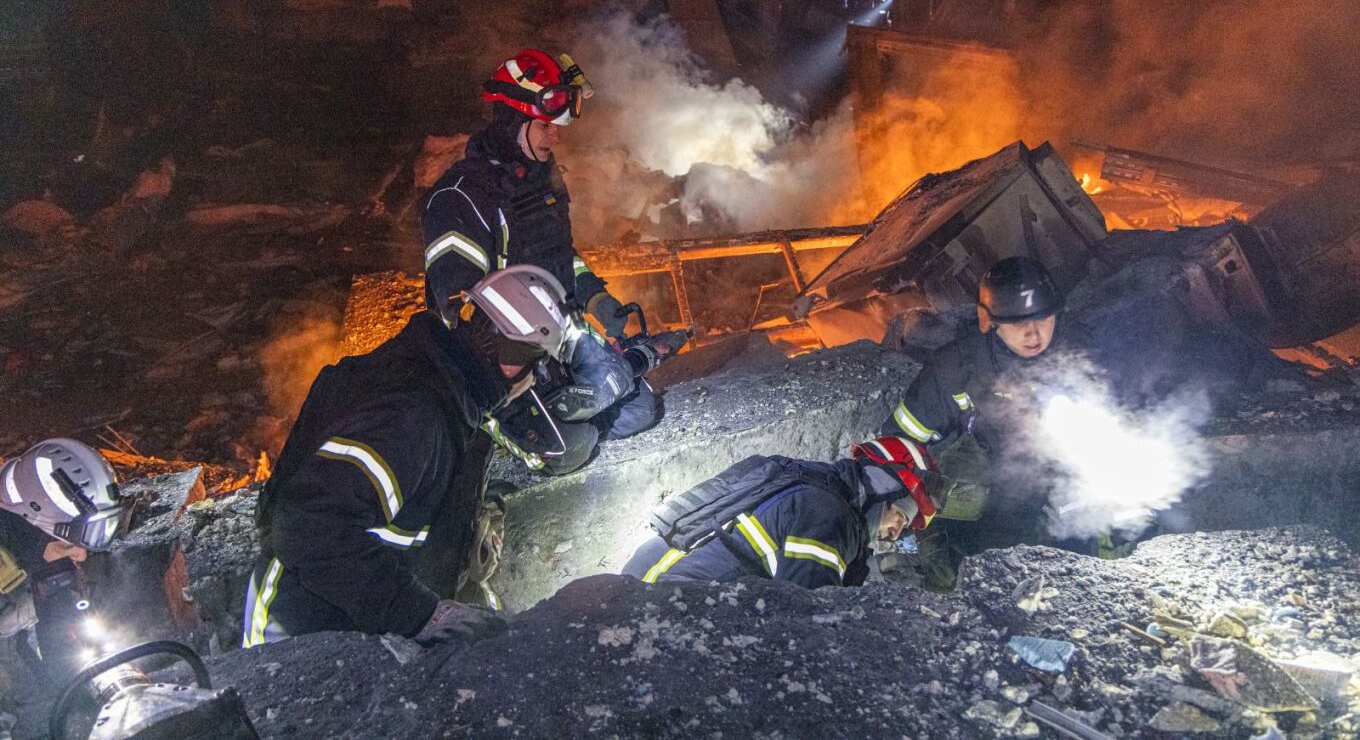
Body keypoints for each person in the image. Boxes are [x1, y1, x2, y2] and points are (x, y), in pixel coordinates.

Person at [243, 266, 571, 648]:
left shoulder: (447, 384)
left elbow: (407, 485)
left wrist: (471, 515)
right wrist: (420, 615)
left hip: (364, 621)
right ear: (512, 362)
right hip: (305, 634)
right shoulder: (412, 414)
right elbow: (312, 525)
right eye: (538, 366)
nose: (535, 382)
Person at [421, 49, 659, 475]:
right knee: (569, 449)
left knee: (640, 408)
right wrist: (531, 366)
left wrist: (596, 300)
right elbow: (460, 307)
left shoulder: (542, 180)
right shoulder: (461, 197)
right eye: (546, 125)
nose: (556, 137)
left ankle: (569, 408)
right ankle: (501, 423)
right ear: (513, 121)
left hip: (555, 341)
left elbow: (559, 256)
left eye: (558, 127)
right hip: (497, 365)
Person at [877, 256, 1091, 589]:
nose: (1033, 333)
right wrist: (902, 513)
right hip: (984, 501)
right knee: (961, 577)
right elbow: (897, 444)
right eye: (1016, 322)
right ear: (986, 319)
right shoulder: (957, 368)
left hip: (1062, 496)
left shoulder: (1080, 354)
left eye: (1043, 318)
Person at [622, 437, 937, 589]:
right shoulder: (828, 515)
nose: (895, 533)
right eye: (900, 516)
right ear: (883, 488)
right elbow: (810, 609)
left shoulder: (814, 482)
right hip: (663, 591)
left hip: (655, 570)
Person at [0, 438, 133, 676]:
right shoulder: (20, 533)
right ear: (30, 530)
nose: (80, 556)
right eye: (66, 546)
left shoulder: (26, 534)